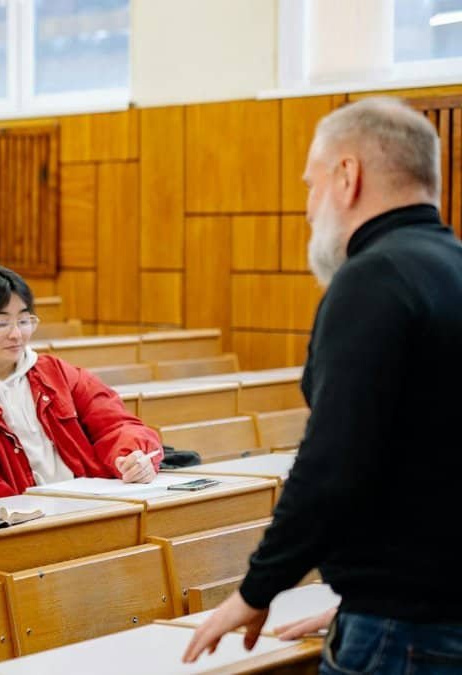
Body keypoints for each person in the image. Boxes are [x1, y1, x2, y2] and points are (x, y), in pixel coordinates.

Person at [184, 97, 462, 672]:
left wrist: (257, 590)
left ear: (347, 175)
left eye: (311, 185)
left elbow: (334, 461)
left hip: (407, 628)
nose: (309, 209)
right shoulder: (452, 266)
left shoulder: (374, 278)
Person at [0, 264, 162, 503]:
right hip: (27, 527)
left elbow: (115, 423)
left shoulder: (55, 374)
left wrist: (132, 456)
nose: (16, 334)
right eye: (1, 323)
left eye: (24, 321)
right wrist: (33, 509)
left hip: (92, 506)